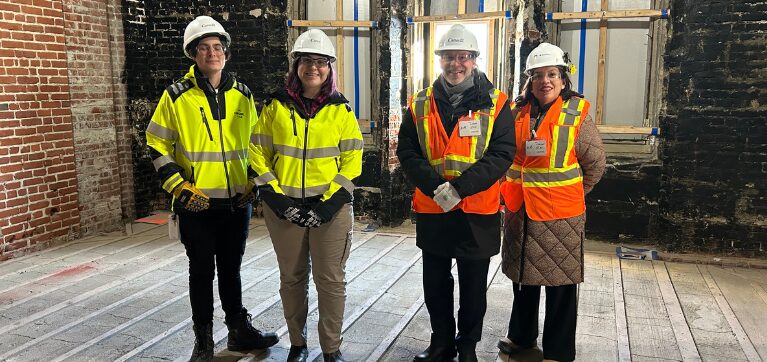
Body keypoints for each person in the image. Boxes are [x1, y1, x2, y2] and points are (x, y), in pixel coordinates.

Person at [145, 15, 279, 362]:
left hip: (237, 202)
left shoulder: (242, 95)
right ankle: (203, 339)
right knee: (201, 271)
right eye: (204, 48)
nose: (212, 53)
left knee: (232, 267)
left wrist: (254, 182)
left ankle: (238, 330)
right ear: (193, 54)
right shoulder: (176, 97)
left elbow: (255, 145)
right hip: (196, 204)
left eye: (217, 47)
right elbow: (156, 146)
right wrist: (179, 187)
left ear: (226, 53)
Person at [396, 24, 516, 362]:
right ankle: (442, 344)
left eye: (463, 57)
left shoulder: (496, 103)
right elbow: (407, 151)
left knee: (473, 286)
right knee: (435, 283)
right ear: (439, 60)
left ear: (474, 60)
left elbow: (502, 153)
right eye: (449, 56)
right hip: (434, 207)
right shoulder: (419, 103)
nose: (456, 63)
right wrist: (437, 188)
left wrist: (459, 189)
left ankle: (467, 347)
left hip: (477, 209)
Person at [251, 28, 363, 362]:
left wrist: (329, 205)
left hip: (330, 211)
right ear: (296, 65)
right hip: (285, 210)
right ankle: (298, 344)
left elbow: (353, 160)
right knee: (292, 278)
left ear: (330, 67)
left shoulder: (341, 111)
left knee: (330, 282)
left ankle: (331, 349)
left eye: (321, 62)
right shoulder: (274, 107)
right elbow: (257, 155)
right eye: (306, 61)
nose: (313, 67)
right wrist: (278, 200)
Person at [497, 42, 606, 362]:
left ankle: (558, 351)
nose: (545, 81)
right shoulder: (516, 112)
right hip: (521, 211)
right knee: (522, 280)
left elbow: (595, 164)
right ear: (529, 80)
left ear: (563, 79)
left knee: (560, 286)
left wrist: (569, 192)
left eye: (552, 74)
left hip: (561, 214)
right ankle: (521, 339)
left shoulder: (577, 112)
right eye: (538, 75)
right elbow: (505, 156)